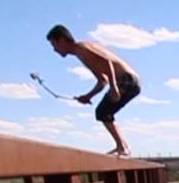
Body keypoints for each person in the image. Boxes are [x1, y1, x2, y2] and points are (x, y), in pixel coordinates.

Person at [45, 24, 141, 156]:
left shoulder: (82, 48)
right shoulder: (81, 55)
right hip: (128, 81)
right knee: (104, 112)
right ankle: (122, 146)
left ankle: (122, 147)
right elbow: (102, 80)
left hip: (126, 79)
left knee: (102, 112)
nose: (54, 50)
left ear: (62, 39)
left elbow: (107, 62)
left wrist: (114, 88)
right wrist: (88, 96)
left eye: (54, 44)